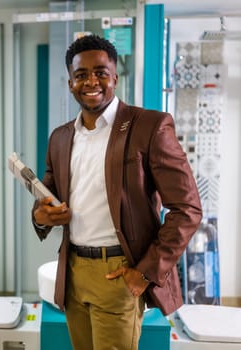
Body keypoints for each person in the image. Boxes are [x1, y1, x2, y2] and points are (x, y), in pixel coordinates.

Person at [32, 35, 202, 350]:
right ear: (70, 83)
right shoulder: (60, 138)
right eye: (81, 75)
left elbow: (187, 209)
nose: (91, 81)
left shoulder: (149, 126)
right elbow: (46, 197)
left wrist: (145, 272)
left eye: (100, 72)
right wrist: (41, 216)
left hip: (118, 273)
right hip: (71, 271)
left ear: (115, 78)